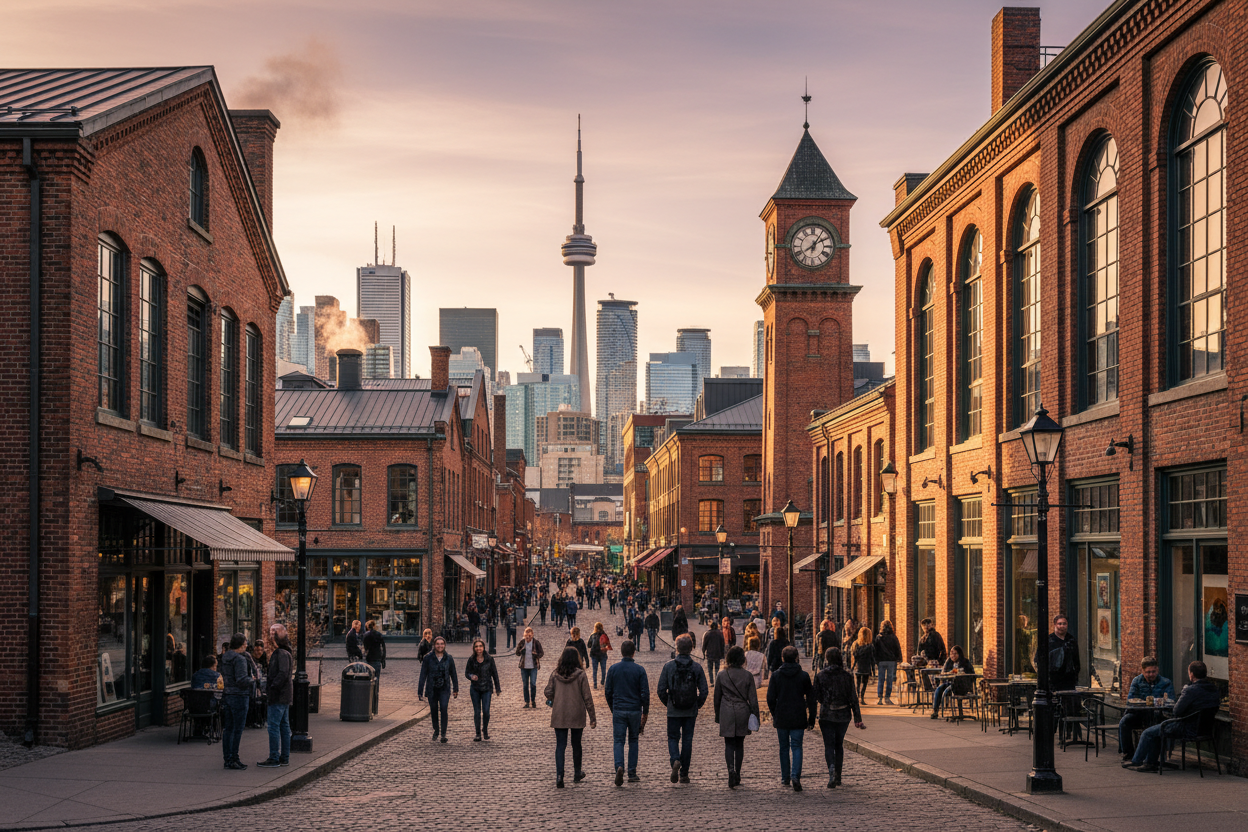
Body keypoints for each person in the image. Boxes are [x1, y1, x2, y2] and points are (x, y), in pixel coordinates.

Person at [1124, 661, 1221, 772]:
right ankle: (1151, 762)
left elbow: (1176, 711)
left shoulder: (1190, 690)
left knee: (1148, 732)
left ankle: (1137, 761)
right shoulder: (1214, 689)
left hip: (1187, 728)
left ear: (1192, 675)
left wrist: (1184, 690)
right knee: (1157, 730)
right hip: (1206, 729)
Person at [656, 634, 708, 784]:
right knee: (687, 740)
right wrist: (697, 704)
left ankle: (675, 760)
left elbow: (661, 690)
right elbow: (704, 691)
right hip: (690, 711)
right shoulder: (697, 667)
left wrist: (669, 703)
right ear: (691, 648)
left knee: (673, 738)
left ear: (676, 648)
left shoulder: (668, 666)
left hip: (673, 710)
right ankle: (684, 773)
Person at [813, 647, 866, 787]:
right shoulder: (847, 676)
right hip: (843, 714)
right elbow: (853, 698)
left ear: (827, 659)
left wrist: (814, 714)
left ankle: (831, 768)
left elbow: (815, 696)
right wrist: (858, 718)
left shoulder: (821, 675)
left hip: (826, 714)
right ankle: (838, 775)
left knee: (828, 745)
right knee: (839, 744)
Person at [545, 646, 597, 788]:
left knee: (560, 746)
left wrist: (554, 698)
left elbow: (548, 691)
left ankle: (559, 775)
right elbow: (587, 697)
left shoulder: (555, 674)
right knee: (576, 744)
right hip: (576, 713)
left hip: (560, 713)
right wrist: (592, 717)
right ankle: (577, 772)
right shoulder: (581, 675)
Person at [768, 645, 818, 790]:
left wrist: (775, 713)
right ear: (797, 658)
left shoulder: (776, 676)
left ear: (782, 658)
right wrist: (811, 718)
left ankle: (785, 777)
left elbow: (770, 698)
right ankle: (795, 775)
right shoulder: (803, 676)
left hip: (782, 716)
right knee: (796, 746)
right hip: (798, 715)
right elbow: (811, 699)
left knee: (783, 747)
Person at [603, 640, 650, 786]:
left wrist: (613, 708)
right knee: (633, 740)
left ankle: (619, 766)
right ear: (633, 653)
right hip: (635, 710)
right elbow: (645, 694)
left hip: (619, 709)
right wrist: (645, 712)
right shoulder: (640, 670)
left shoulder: (613, 669)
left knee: (618, 741)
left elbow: (608, 691)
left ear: (622, 652)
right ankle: (632, 772)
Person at [714, 645, 759, 789]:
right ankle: (738, 773)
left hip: (726, 711)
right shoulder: (747, 676)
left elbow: (716, 697)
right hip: (742, 711)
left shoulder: (722, 675)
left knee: (729, 744)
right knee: (739, 744)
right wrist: (756, 716)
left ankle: (730, 770)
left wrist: (717, 714)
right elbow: (753, 699)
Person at [1118, 656, 1176, 760]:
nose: (1151, 675)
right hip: (1140, 715)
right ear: (1143, 671)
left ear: (1157, 669)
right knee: (1124, 722)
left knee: (1156, 722)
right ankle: (1128, 753)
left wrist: (1162, 702)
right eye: (1148, 672)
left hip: (1159, 715)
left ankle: (1151, 757)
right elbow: (1130, 700)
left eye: (1153, 672)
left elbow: (1171, 701)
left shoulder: (1166, 682)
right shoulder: (1137, 681)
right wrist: (1140, 703)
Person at [257, 624, 292, 768]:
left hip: (278, 695)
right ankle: (284, 757)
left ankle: (274, 757)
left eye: (272, 634)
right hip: (283, 695)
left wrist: (272, 687)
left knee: (274, 726)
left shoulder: (281, 654)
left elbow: (282, 673)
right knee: (283, 726)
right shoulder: (285, 652)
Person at [219, 633, 251, 770]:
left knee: (228, 728)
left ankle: (227, 758)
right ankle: (234, 758)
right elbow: (242, 680)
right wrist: (253, 680)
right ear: (241, 644)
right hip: (239, 696)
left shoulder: (225, 657)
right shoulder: (240, 659)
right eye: (245, 643)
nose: (247, 645)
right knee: (237, 729)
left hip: (227, 694)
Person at [418, 636, 458, 742]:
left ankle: (443, 734)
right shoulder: (427, 658)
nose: (440, 646)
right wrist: (420, 691)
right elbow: (423, 675)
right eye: (438, 644)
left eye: (442, 644)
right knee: (434, 710)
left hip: (444, 687)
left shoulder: (449, 658)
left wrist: (455, 689)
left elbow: (453, 674)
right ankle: (436, 730)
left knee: (444, 708)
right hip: (432, 688)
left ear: (444, 645)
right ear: (434, 645)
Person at [465, 638, 501, 742]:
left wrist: (498, 688)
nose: (478, 648)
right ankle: (478, 734)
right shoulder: (471, 660)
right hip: (475, 688)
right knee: (477, 711)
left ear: (483, 647)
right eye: (476, 646)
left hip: (487, 688)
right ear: (474, 648)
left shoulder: (489, 659)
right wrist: (471, 676)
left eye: (480, 646)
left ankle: (485, 729)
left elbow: (495, 674)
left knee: (486, 711)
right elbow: (467, 672)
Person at [930, 645, 974, 720]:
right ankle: (935, 711)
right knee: (939, 689)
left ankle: (960, 714)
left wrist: (964, 674)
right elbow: (943, 673)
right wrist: (950, 672)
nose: (953, 656)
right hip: (950, 684)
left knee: (949, 688)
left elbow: (972, 675)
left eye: (955, 653)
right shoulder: (949, 662)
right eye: (951, 654)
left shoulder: (965, 662)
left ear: (959, 654)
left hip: (963, 685)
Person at [1040, 614, 1081, 693]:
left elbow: (1076, 660)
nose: (1062, 626)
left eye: (1064, 624)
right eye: (1059, 624)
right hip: (1053, 681)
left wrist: (1075, 675)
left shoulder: (1071, 640)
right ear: (1055, 625)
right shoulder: (1048, 641)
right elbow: (1040, 660)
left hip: (1069, 680)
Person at [873, 620, 902, 705]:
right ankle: (887, 698)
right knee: (889, 679)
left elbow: (875, 650)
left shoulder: (878, 637)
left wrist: (876, 660)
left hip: (881, 661)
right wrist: (899, 659)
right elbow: (897, 648)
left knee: (881, 679)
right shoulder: (893, 637)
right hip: (891, 661)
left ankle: (880, 698)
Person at [516, 627, 545, 708]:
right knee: (525, 685)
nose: (528, 638)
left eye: (529, 636)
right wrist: (521, 650)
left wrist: (536, 655)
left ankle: (533, 700)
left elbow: (541, 653)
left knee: (533, 684)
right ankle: (527, 702)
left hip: (533, 666)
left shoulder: (536, 642)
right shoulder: (522, 642)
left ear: (532, 635)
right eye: (526, 636)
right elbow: (517, 653)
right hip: (524, 667)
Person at [362, 619, 386, 714]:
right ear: (374, 626)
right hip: (377, 660)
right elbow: (383, 648)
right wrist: (383, 660)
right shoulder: (379, 635)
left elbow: (365, 648)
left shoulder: (366, 635)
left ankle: (367, 706)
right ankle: (374, 708)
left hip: (369, 660)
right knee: (376, 683)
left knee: (368, 683)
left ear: (367, 626)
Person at [850, 627, 875, 703]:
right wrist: (873, 671)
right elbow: (872, 659)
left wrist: (852, 667)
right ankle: (862, 698)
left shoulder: (855, 644)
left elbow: (853, 656)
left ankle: (857, 697)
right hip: (866, 667)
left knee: (857, 684)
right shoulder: (870, 646)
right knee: (864, 683)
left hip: (857, 667)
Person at [588, 622, 612, 688]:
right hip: (603, 655)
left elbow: (588, 645)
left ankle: (595, 684)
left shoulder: (593, 635)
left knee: (594, 670)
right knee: (603, 669)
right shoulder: (604, 635)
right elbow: (608, 645)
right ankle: (602, 681)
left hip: (594, 654)